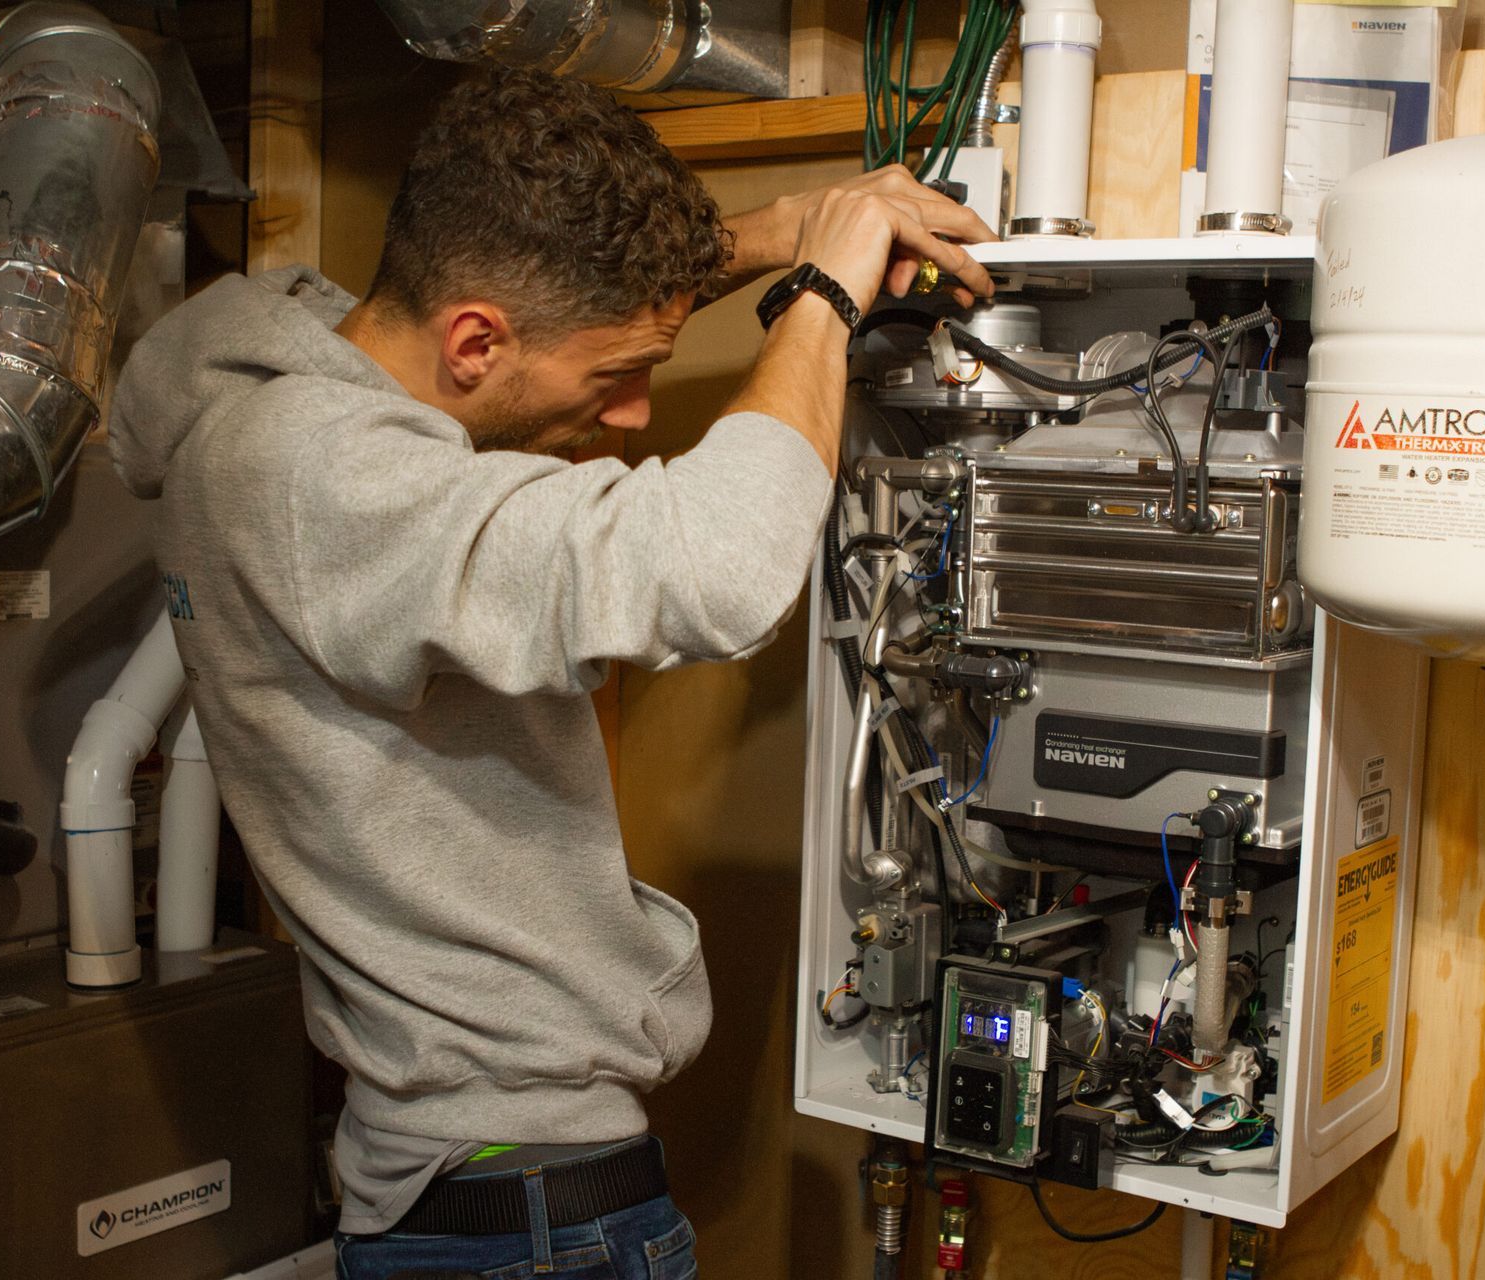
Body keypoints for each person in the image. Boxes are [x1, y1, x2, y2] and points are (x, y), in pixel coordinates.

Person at [108, 65, 994, 1280]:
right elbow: (718, 565)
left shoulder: (268, 375)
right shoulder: (330, 482)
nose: (634, 414)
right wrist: (822, 295)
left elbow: (531, 288)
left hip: (454, 1182)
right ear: (475, 341)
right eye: (612, 374)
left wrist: (779, 231)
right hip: (525, 1218)